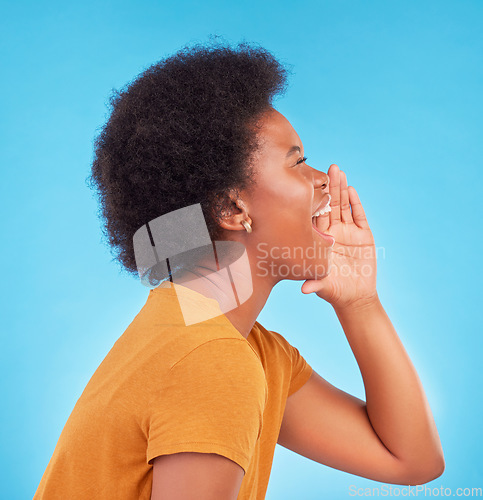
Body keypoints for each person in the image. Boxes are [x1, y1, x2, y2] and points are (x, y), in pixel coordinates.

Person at [33, 40, 444, 499]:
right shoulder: (211, 361)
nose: (323, 180)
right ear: (233, 208)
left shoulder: (236, 346)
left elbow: (411, 461)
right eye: (298, 162)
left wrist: (361, 303)